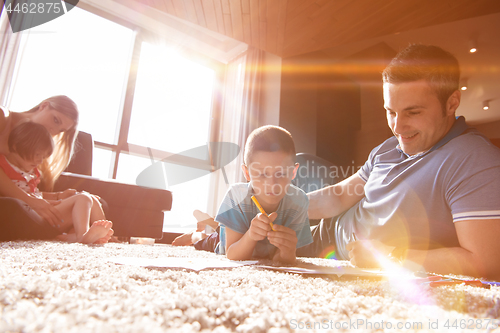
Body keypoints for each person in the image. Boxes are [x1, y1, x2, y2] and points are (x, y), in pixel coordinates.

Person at [297, 44, 500, 279]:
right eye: (391, 111)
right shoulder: (388, 148)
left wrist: (390, 256)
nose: (397, 127)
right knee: (251, 233)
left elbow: (487, 261)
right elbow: (341, 195)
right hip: (325, 233)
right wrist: (284, 204)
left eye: (413, 112)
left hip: (340, 257)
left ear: (452, 103)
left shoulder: (475, 161)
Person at [176, 125, 313, 264]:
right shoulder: (236, 196)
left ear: (293, 172)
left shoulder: (299, 201)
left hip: (237, 229)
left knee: (220, 228)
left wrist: (288, 252)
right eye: (262, 174)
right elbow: (232, 254)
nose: (272, 184)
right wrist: (250, 236)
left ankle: (212, 222)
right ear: (247, 173)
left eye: (281, 174)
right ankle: (196, 233)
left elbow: (281, 259)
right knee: (204, 240)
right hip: (227, 241)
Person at [1, 122, 113, 244]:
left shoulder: (29, 171)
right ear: (16, 146)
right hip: (31, 214)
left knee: (92, 199)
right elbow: (19, 196)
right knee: (83, 198)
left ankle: (104, 236)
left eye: (43, 157)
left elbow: (36, 194)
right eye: (37, 154)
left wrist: (58, 195)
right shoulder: (4, 165)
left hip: (42, 213)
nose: (39, 161)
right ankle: (83, 236)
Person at [0, 95, 79, 232]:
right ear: (43, 106)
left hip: (16, 204)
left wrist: (58, 196)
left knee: (87, 202)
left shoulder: (36, 147)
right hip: (10, 205)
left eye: (61, 130)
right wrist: (29, 201)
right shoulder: (3, 117)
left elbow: (26, 187)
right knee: (14, 207)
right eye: (55, 120)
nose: (54, 131)